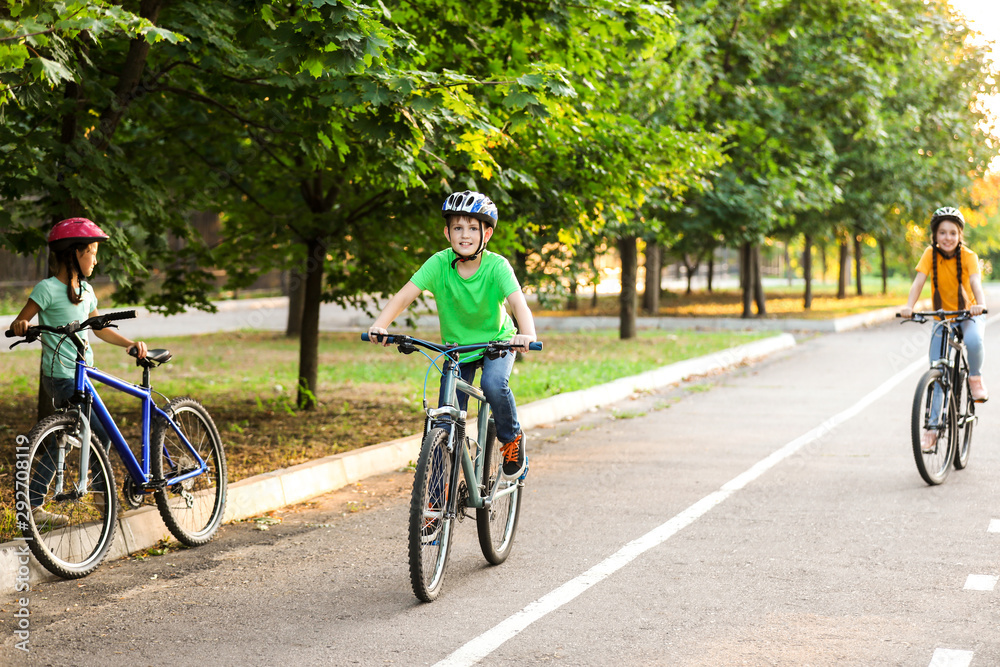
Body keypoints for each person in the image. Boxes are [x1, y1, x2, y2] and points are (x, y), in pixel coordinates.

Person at [367, 190, 537, 478]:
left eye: (473, 228)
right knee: (443, 421)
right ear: (447, 233)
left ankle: (511, 439)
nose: (465, 235)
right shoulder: (438, 264)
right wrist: (381, 324)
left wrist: (527, 335)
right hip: (457, 350)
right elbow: (404, 296)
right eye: (458, 227)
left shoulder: (497, 266)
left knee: (494, 384)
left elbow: (519, 304)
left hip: (497, 342)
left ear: (488, 234)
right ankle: (433, 499)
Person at [9, 218, 148, 526]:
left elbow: (99, 329)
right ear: (74, 254)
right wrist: (22, 325)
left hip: (83, 372)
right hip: (60, 375)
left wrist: (129, 344)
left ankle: (35, 503)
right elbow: (22, 319)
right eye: (92, 252)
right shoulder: (47, 289)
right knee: (99, 430)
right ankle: (102, 495)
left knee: (68, 436)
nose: (96, 260)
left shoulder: (86, 290)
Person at [900, 206, 987, 452]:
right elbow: (918, 282)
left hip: (968, 314)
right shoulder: (929, 254)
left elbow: (975, 282)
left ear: (960, 235)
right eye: (942, 233)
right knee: (937, 370)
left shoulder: (969, 256)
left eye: (952, 233)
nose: (947, 238)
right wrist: (909, 307)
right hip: (943, 317)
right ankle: (932, 428)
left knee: (974, 342)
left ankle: (975, 378)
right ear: (935, 236)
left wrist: (979, 305)